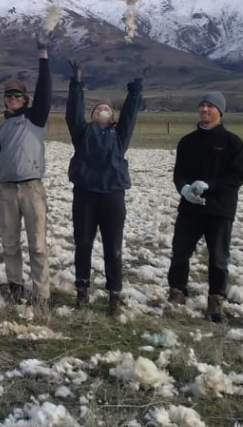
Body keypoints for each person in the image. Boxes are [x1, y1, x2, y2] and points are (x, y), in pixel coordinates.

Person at [65, 60, 144, 317]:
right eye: (98, 108)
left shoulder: (119, 136)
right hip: (85, 195)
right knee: (83, 244)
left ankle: (114, 295)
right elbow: (72, 113)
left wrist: (135, 90)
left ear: (112, 116)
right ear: (92, 115)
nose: (102, 109)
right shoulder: (82, 133)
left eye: (107, 108)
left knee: (114, 247)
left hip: (113, 195)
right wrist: (77, 84)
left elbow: (131, 114)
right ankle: (82, 293)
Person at [166, 91, 243, 323]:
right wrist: (184, 189)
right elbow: (179, 173)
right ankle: (177, 292)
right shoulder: (187, 142)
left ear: (220, 112)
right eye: (202, 105)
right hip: (190, 210)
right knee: (180, 253)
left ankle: (215, 300)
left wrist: (210, 186)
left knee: (218, 258)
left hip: (219, 211)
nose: (205, 109)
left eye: (210, 106)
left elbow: (239, 175)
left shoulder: (232, 143)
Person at [0, 30, 53, 306]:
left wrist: (43, 56)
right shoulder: (1, 127)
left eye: (17, 94)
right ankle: (15, 287)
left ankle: (41, 294)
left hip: (31, 188)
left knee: (37, 245)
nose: (13, 97)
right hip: (7, 190)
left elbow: (45, 92)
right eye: (8, 94)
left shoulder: (35, 117)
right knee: (10, 243)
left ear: (25, 98)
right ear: (4, 99)